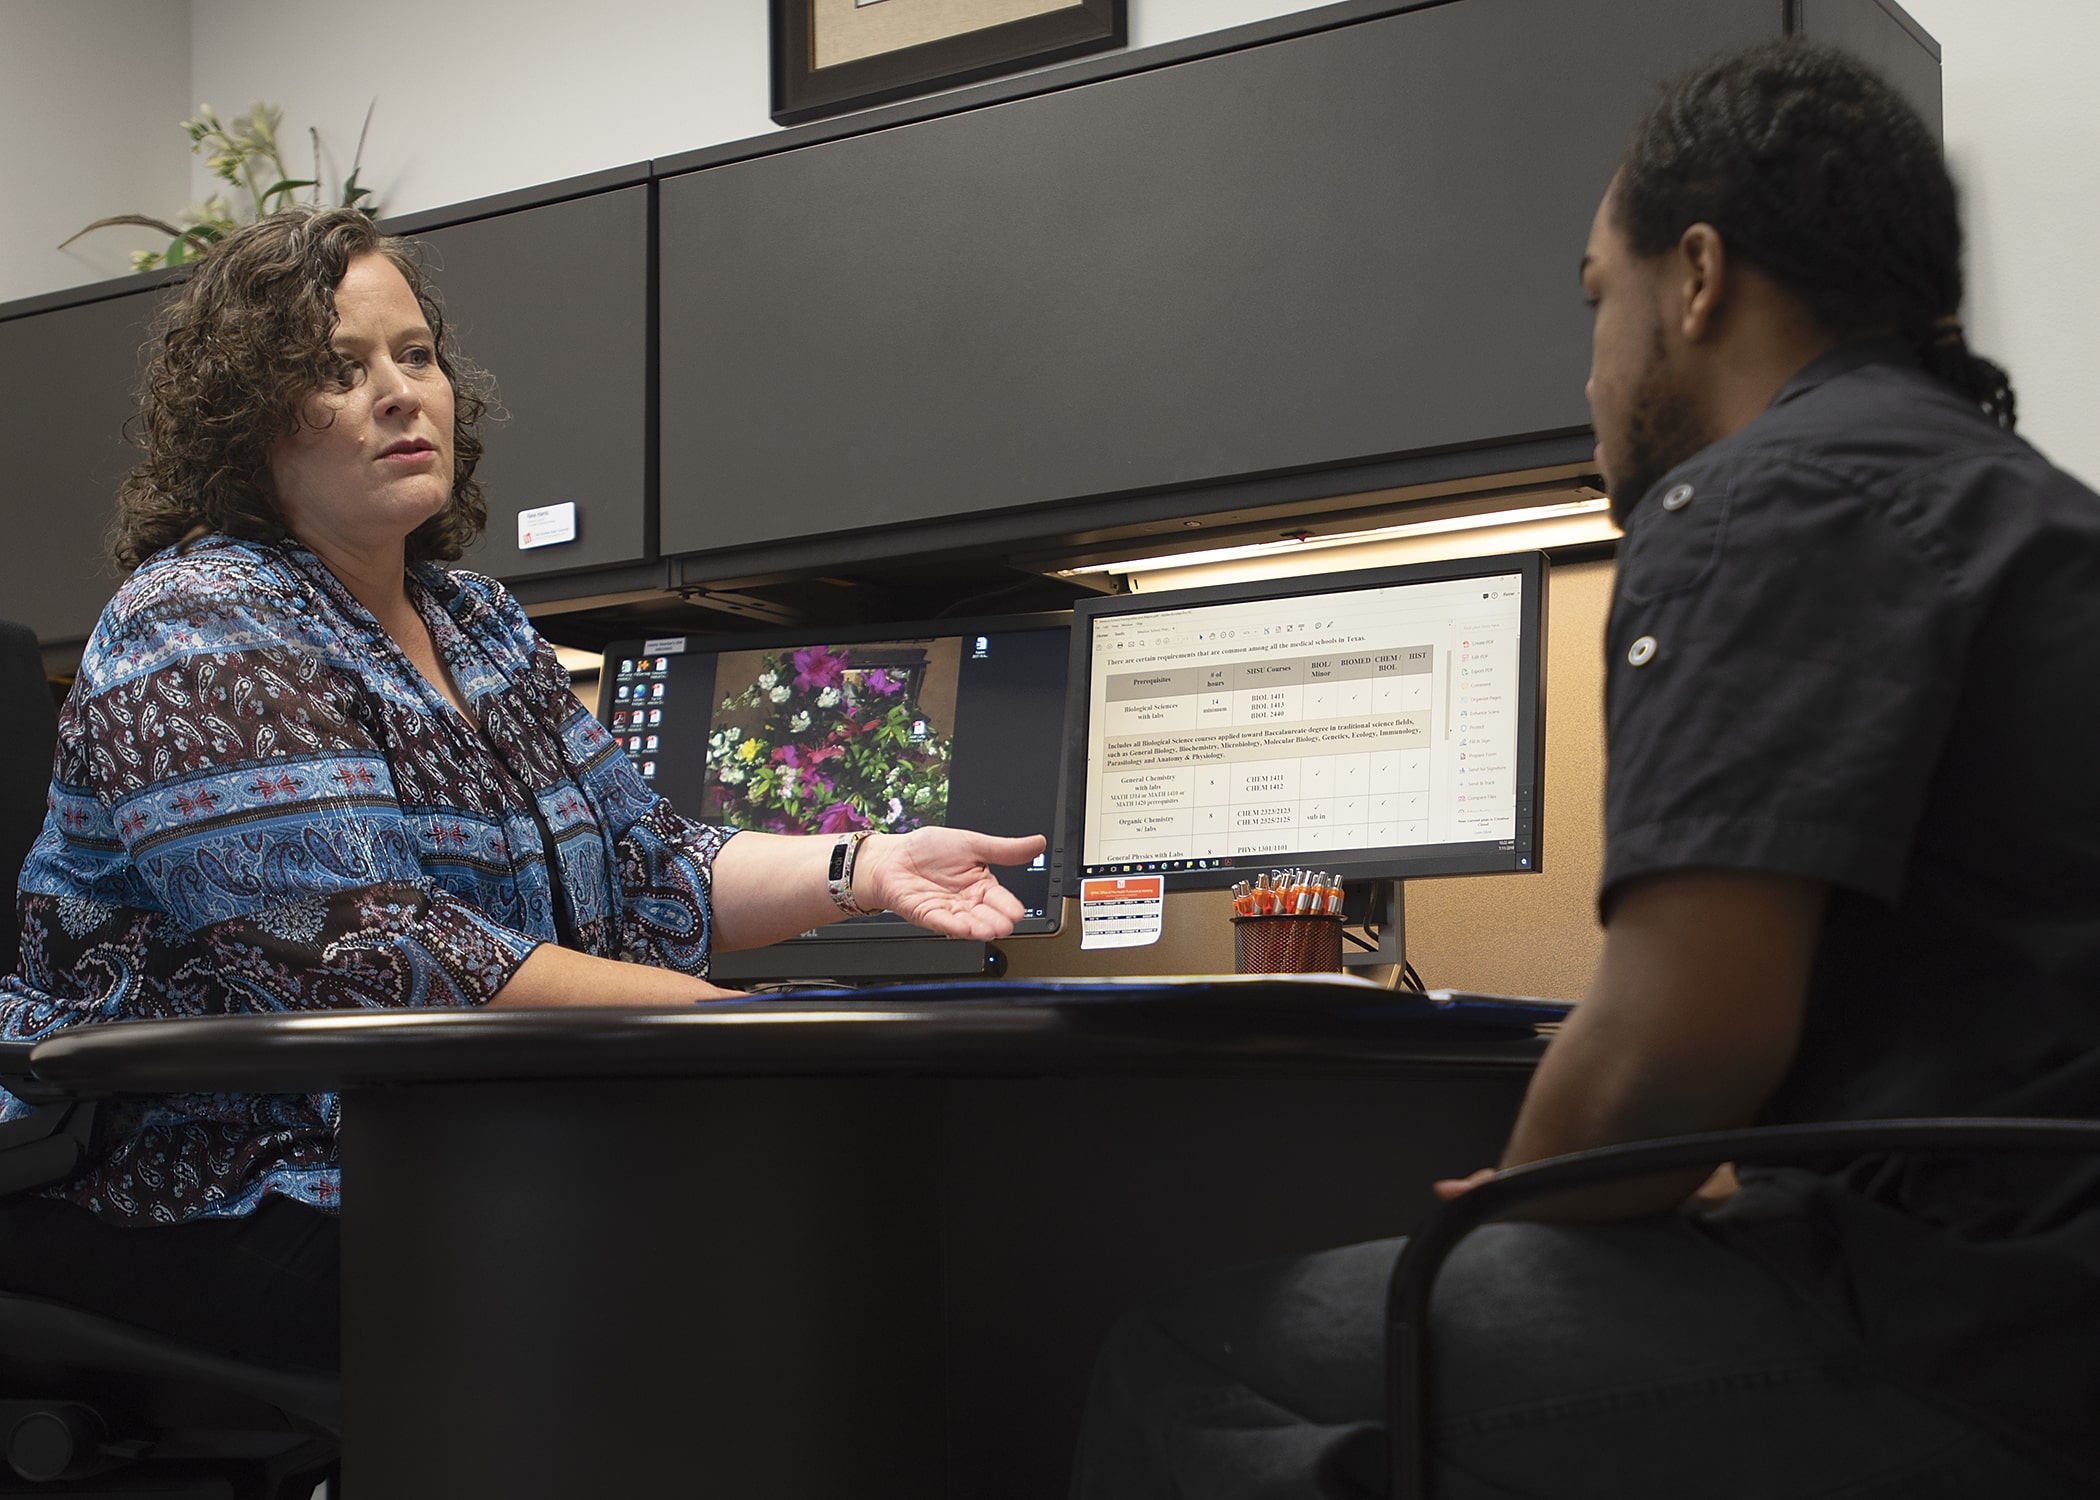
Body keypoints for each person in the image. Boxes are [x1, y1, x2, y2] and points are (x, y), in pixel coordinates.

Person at [1071, 40, 2100, 1500]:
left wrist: (1505, 1220)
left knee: (1198, 1355)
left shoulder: (1764, 496)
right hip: (2037, 1278)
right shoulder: (2030, 509)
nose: (1592, 370)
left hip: (1979, 1332)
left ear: (1697, 278)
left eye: (1595, 301)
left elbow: (1676, 1046)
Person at [0, 206, 1043, 1371]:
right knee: (726, 1279)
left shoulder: (477, 623)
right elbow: (374, 950)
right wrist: (734, 1029)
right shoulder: (196, 619)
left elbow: (653, 869)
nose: (401, 393)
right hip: (221, 1179)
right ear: (245, 426)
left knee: (886, 1239)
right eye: (341, 372)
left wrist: (865, 867)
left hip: (465, 1145)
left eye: (416, 355)